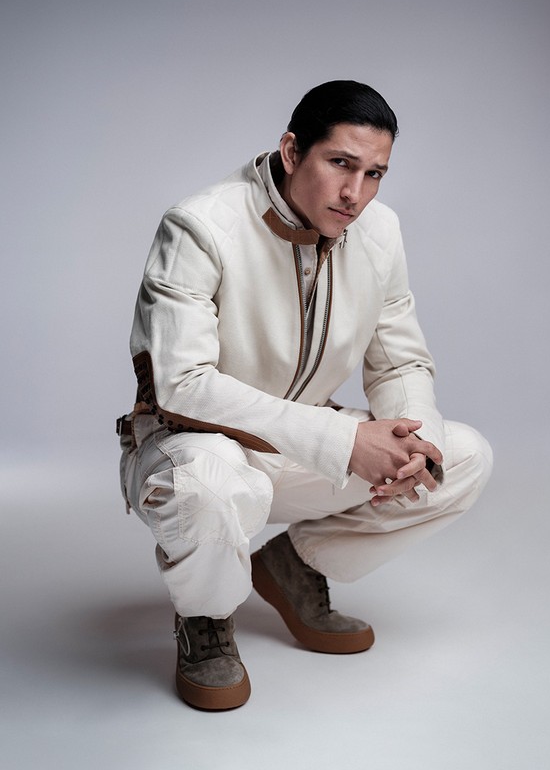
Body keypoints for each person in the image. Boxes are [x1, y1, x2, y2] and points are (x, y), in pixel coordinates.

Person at [117, 80, 493, 711]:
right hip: (190, 446)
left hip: (296, 446)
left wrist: (413, 438)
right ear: (292, 151)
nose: (356, 193)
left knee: (459, 458)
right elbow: (184, 384)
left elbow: (398, 358)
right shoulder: (201, 225)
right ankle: (206, 620)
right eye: (341, 163)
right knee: (209, 484)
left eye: (375, 174)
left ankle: (293, 568)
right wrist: (345, 440)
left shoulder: (380, 231)